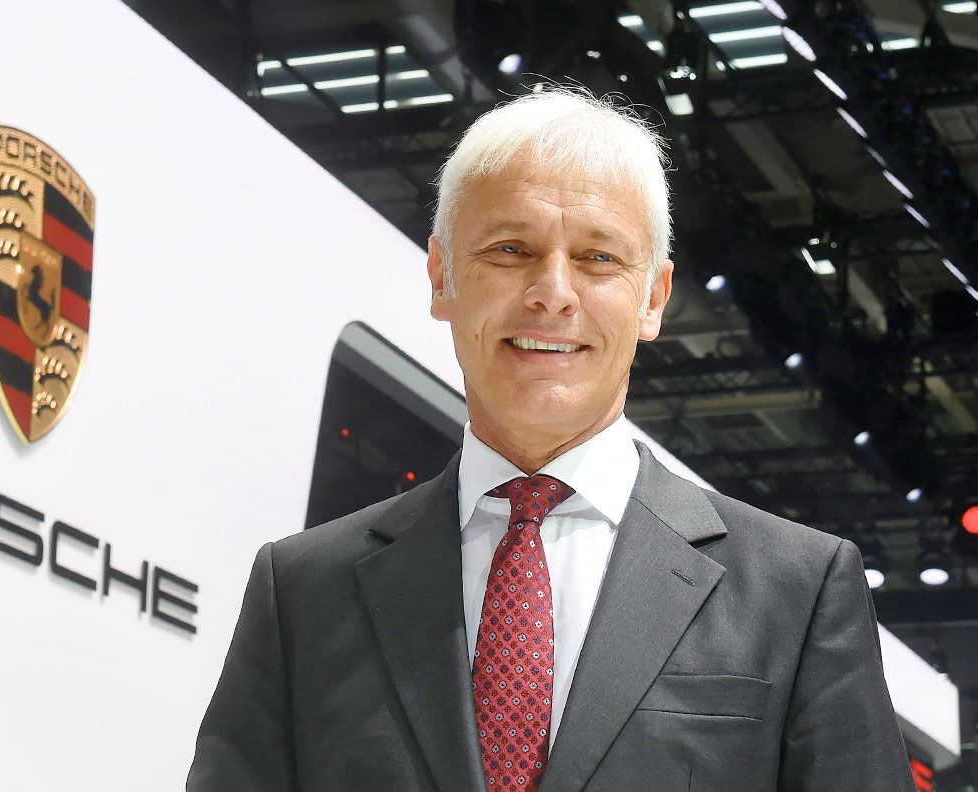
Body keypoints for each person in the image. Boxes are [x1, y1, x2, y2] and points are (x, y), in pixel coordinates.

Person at [188, 85, 914, 792]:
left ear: (654, 298)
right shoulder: (301, 591)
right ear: (441, 277)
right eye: (510, 248)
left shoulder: (797, 590)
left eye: (599, 258)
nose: (553, 292)